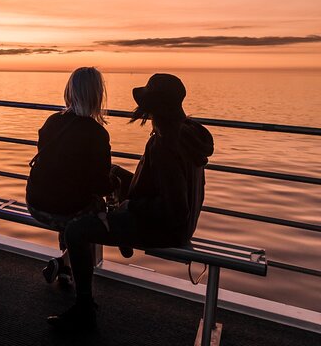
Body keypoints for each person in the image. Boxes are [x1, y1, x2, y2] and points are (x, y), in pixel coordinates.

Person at [47, 73, 214, 331]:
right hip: (183, 220)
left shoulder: (164, 146)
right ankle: (115, 223)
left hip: (165, 228)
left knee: (75, 230)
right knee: (112, 173)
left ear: (154, 106)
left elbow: (174, 210)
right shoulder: (186, 132)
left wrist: (130, 207)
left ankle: (84, 308)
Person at [26, 67, 117, 285]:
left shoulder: (52, 122)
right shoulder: (97, 134)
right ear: (98, 95)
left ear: (70, 91)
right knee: (93, 211)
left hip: (36, 202)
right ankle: (68, 265)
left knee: (71, 202)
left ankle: (64, 268)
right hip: (62, 210)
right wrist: (115, 183)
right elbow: (101, 186)